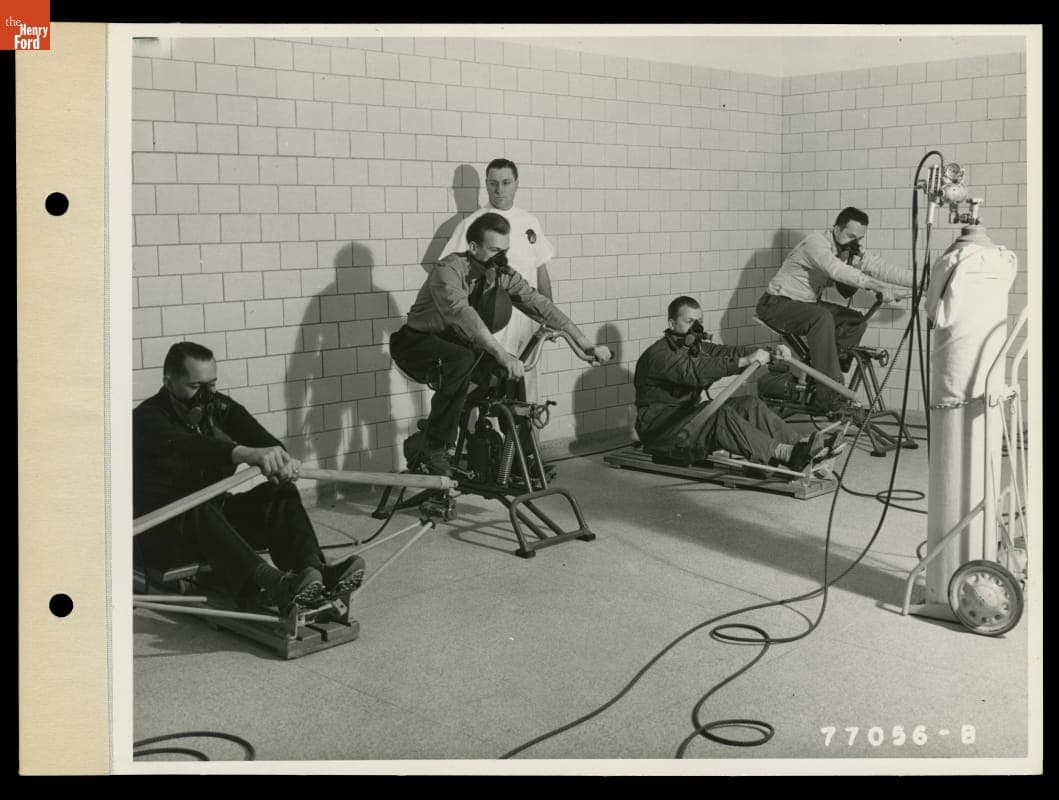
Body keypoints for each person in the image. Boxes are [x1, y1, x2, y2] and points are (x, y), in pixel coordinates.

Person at [134, 342, 365, 613]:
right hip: (163, 538)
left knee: (280, 494)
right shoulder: (146, 419)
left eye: (212, 385)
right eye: (195, 387)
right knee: (197, 507)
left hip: (212, 525)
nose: (205, 396)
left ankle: (315, 573)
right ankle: (269, 584)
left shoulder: (217, 408)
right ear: (169, 382)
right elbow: (189, 447)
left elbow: (265, 441)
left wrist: (281, 459)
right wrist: (243, 453)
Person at [391, 212, 612, 476]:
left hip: (457, 344)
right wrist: (498, 352)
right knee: (464, 359)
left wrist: (584, 343)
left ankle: (518, 455)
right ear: (473, 247)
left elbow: (539, 304)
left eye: (504, 250)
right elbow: (463, 315)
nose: (500, 257)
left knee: (508, 371)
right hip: (415, 344)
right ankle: (435, 447)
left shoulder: (499, 274)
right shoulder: (448, 270)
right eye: (494, 249)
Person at [635, 296, 839, 470]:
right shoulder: (659, 356)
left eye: (699, 321)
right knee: (720, 415)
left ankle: (804, 447)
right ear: (672, 324)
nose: (696, 328)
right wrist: (744, 362)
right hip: (663, 433)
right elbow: (696, 371)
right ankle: (787, 454)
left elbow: (728, 352)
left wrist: (768, 351)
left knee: (748, 404)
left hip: (687, 421)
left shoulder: (695, 348)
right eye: (689, 321)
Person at [755, 207, 915, 414]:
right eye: (850, 235)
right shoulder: (816, 244)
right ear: (836, 229)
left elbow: (880, 267)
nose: (854, 241)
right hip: (776, 304)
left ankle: (822, 377)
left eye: (859, 237)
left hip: (806, 304)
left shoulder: (847, 250)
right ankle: (830, 393)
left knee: (855, 322)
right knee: (822, 317)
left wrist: (923, 282)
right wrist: (877, 287)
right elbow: (836, 270)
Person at [439, 158, 555, 402]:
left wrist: (550, 315)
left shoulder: (529, 221)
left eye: (505, 183)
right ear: (486, 185)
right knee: (493, 389)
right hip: (495, 320)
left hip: (529, 321)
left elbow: (540, 268)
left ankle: (525, 441)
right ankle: (492, 439)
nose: (499, 190)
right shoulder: (472, 224)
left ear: (516, 184)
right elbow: (448, 273)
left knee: (528, 391)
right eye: (493, 184)